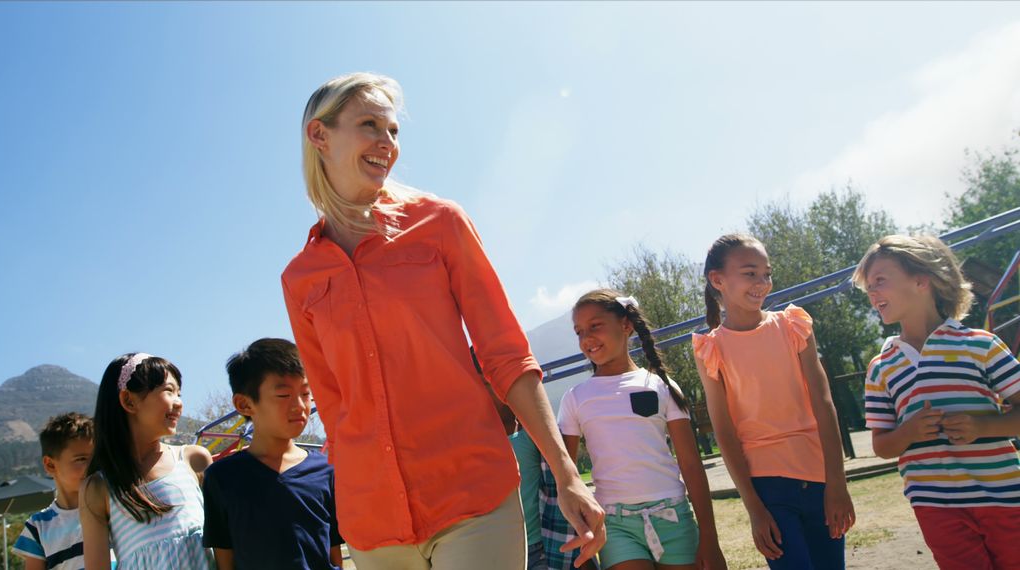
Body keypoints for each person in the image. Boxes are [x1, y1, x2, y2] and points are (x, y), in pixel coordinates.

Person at [282, 72, 604, 569]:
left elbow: (505, 353)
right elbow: (333, 403)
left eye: (393, 131)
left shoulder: (441, 223)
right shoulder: (299, 278)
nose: (387, 144)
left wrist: (566, 472)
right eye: (370, 125)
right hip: (374, 523)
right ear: (319, 136)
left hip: (471, 496)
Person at [854, 234, 1020, 570]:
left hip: (1004, 499)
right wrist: (909, 432)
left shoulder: (980, 345)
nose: (872, 293)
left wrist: (982, 426)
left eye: (880, 281)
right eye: (868, 286)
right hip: (935, 508)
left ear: (921, 280)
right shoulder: (881, 368)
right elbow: (883, 446)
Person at [691, 234, 854, 569]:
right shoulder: (711, 349)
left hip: (821, 476)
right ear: (717, 280)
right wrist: (753, 506)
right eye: (750, 273)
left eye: (767, 273)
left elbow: (824, 403)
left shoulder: (794, 325)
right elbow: (724, 430)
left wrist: (837, 482)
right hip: (768, 488)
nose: (762, 283)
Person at [559, 289, 726, 570]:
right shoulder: (575, 398)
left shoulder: (663, 387)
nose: (586, 338)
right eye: (579, 332)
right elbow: (566, 475)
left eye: (595, 326)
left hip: (674, 517)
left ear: (626, 325)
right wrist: (580, 535)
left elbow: (691, 464)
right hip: (614, 526)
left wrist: (709, 537)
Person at [202, 338, 343, 569]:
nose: (300, 405)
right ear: (244, 404)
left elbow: (334, 553)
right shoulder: (222, 478)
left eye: (306, 394)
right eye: (283, 395)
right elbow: (225, 559)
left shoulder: (326, 470)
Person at [79, 353, 215, 570]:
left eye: (179, 393)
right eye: (169, 391)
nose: (179, 403)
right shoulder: (99, 487)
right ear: (129, 400)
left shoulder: (194, 460)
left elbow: (226, 542)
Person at [14, 412, 95, 570]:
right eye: (81, 459)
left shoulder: (115, 508)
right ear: (50, 465)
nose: (93, 466)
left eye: (97, 458)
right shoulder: (38, 527)